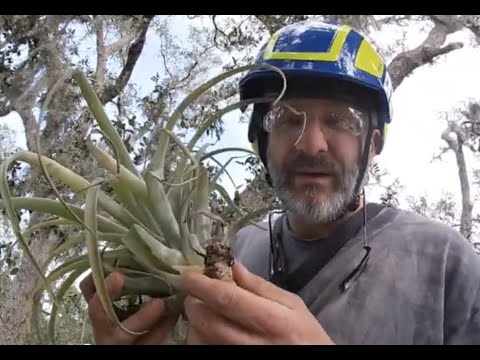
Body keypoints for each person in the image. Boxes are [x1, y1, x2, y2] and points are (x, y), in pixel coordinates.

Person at [80, 20, 480, 345]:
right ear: (261, 139)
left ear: (372, 145)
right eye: (287, 118)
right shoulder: (233, 249)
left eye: (341, 121)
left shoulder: (445, 263)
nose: (311, 143)